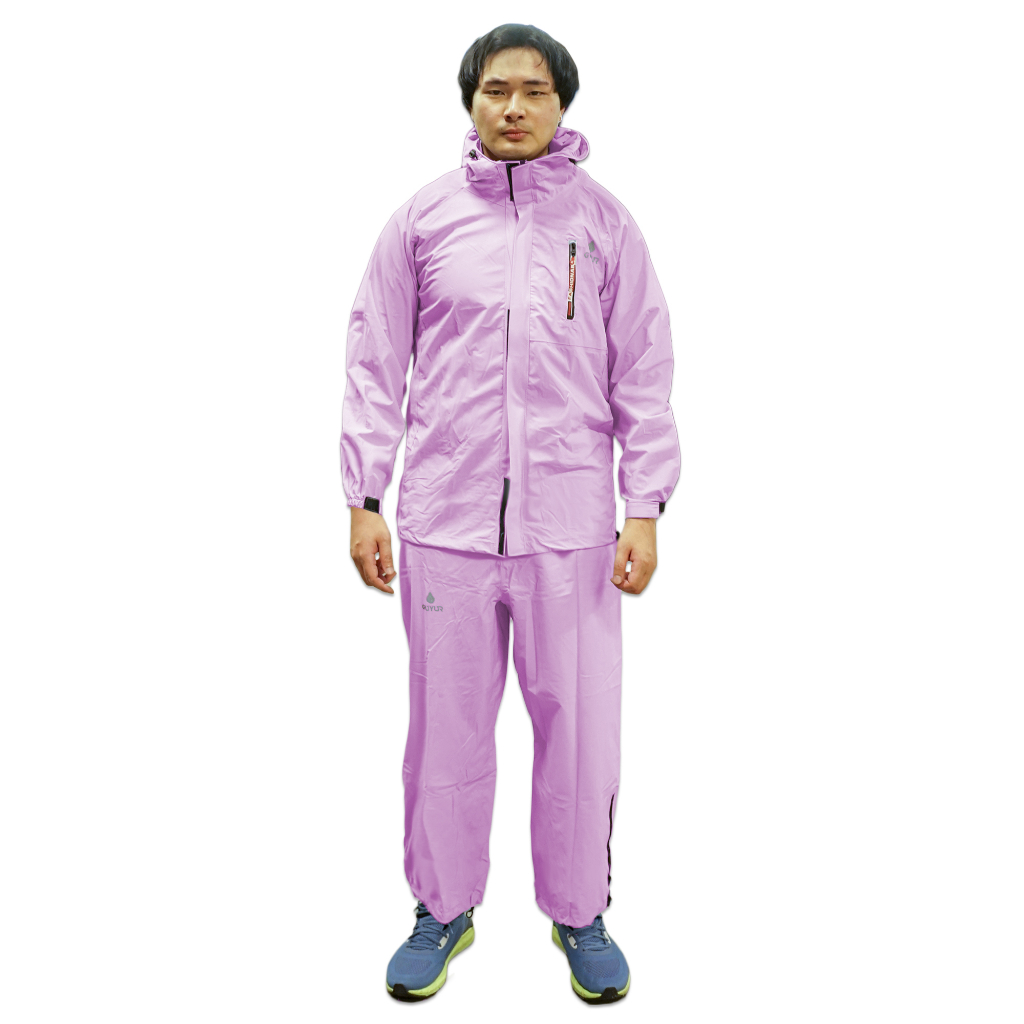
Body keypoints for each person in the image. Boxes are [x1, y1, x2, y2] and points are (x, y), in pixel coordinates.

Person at [340, 23, 681, 1005]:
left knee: (579, 732)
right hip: (443, 524)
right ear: (471, 102)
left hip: (570, 528)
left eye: (535, 90)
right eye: (497, 89)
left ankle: (580, 912)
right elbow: (374, 363)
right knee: (444, 730)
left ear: (562, 104)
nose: (515, 107)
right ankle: (441, 908)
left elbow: (643, 369)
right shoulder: (422, 223)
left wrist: (644, 505)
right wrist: (364, 496)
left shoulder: (603, 225)